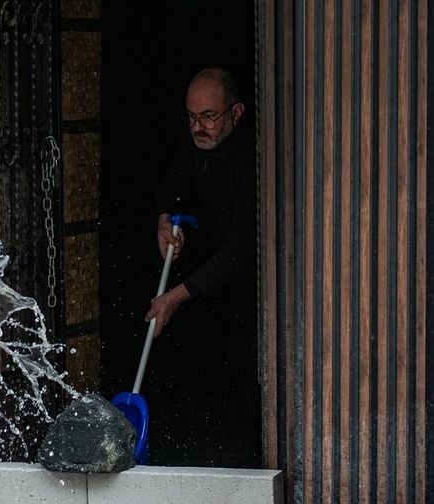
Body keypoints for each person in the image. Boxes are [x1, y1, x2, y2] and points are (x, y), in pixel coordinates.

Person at [143, 67, 259, 467]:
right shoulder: (196, 137)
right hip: (209, 268)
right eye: (192, 117)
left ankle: (258, 458)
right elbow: (175, 179)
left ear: (236, 112)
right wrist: (164, 215)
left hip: (254, 277)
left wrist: (175, 296)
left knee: (248, 361)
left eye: (209, 116)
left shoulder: (253, 160)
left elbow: (241, 252)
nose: (199, 127)